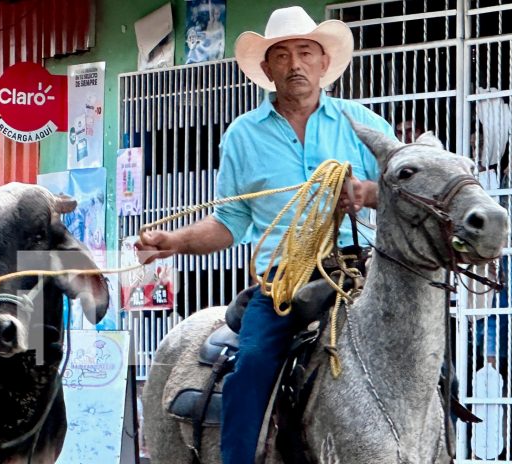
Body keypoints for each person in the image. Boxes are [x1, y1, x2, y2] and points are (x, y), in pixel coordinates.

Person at [136, 6, 395, 463]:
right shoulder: (242, 136)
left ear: (322, 62)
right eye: (283, 55)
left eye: (306, 52)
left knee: (424, 352)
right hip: (284, 282)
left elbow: (404, 191)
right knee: (252, 364)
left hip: (358, 271)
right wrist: (173, 242)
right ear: (267, 68)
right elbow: (229, 224)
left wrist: (366, 192)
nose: (296, 64)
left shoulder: (364, 124)